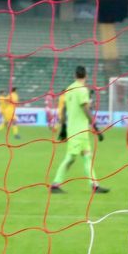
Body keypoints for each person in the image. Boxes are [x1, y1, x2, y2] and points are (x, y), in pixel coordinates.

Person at [50, 65, 108, 194]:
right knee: (71, 157)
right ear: (86, 75)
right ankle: (55, 184)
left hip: (77, 130)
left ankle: (94, 185)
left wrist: (63, 127)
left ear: (75, 75)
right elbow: (86, 109)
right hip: (78, 132)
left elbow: (64, 108)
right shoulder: (82, 90)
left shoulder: (69, 88)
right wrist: (96, 127)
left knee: (87, 156)